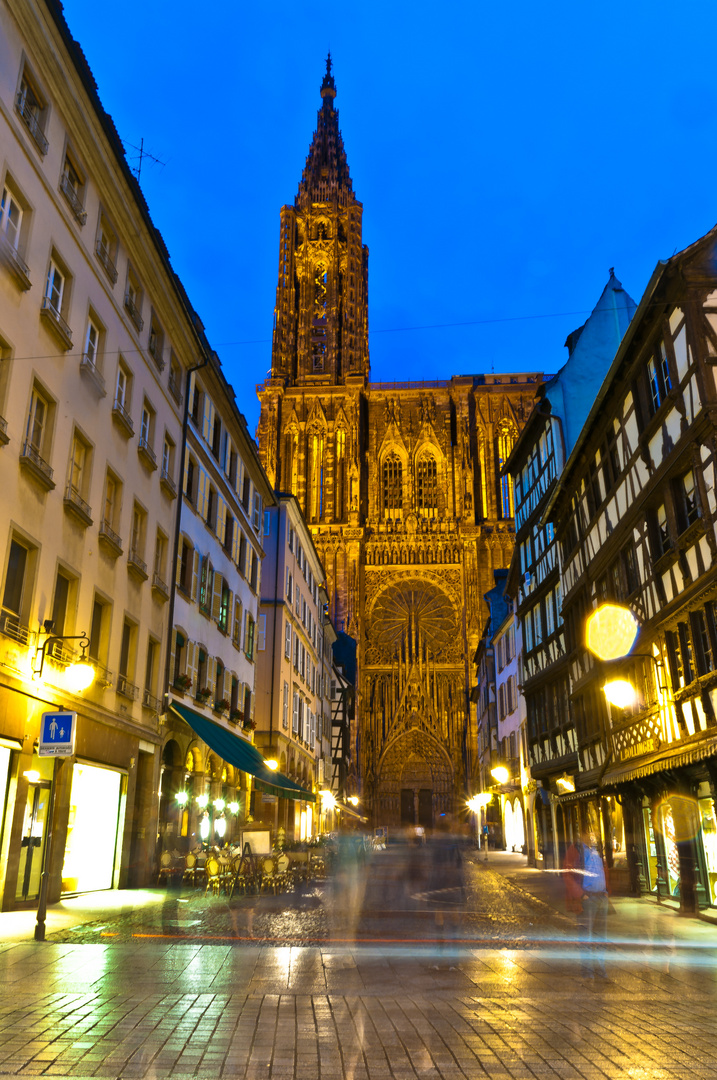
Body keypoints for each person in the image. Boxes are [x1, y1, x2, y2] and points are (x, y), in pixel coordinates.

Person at [579, 832, 609, 978]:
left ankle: (600, 966)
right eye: (589, 834)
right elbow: (569, 875)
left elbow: (604, 871)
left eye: (594, 834)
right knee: (587, 934)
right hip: (588, 898)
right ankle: (588, 969)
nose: (592, 837)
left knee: (601, 935)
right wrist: (580, 895)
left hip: (601, 897)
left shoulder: (597, 851)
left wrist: (606, 891)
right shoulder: (578, 851)